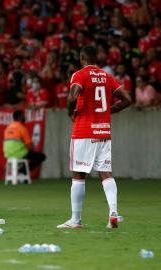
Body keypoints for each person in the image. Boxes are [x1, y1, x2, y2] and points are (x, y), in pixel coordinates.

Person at [57, 46, 131, 229]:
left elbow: (72, 97)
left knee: (78, 175)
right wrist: (108, 111)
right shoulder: (107, 76)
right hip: (103, 131)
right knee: (105, 173)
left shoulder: (79, 75)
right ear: (96, 58)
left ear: (82, 57)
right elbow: (127, 100)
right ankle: (113, 212)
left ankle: (76, 220)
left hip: (83, 131)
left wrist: (70, 113)